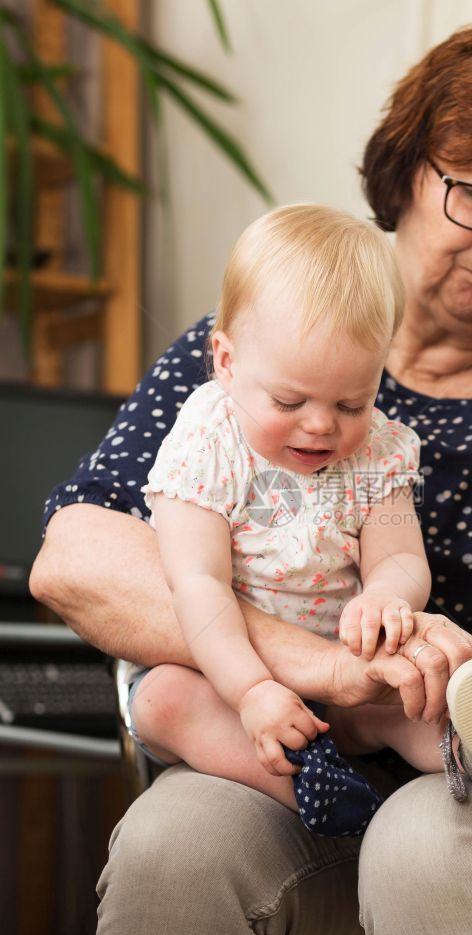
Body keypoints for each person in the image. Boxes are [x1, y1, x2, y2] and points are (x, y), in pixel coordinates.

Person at [30, 10, 472, 935]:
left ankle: (459, 734)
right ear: (408, 167)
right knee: (171, 851)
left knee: (434, 848)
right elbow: (73, 557)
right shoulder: (268, 337)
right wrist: (326, 666)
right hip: (314, 739)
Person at [131, 202, 437, 837]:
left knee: (407, 693)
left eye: (353, 401)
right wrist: (250, 691)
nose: (322, 424)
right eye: (289, 400)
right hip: (220, 671)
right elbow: (199, 587)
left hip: (340, 672)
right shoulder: (207, 442)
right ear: (226, 362)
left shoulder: (376, 451)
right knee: (162, 701)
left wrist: (385, 596)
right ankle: (309, 784)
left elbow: (402, 556)